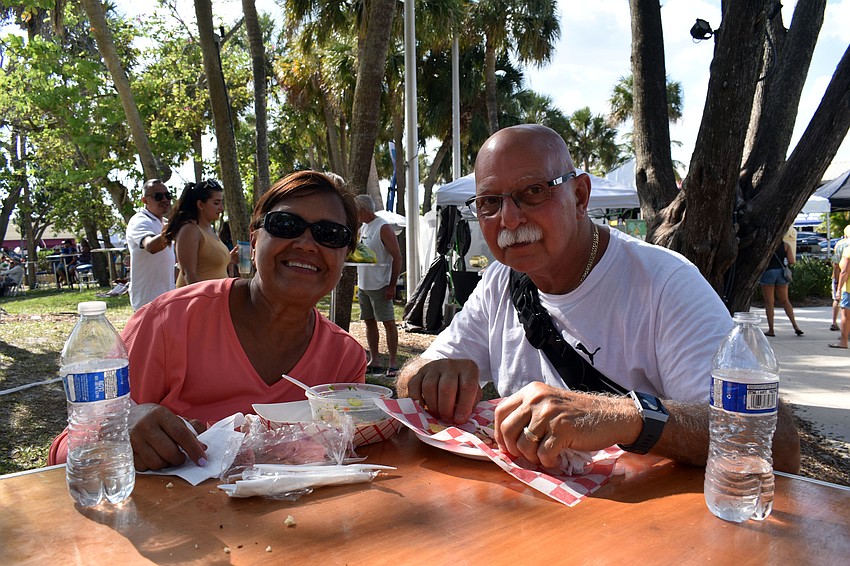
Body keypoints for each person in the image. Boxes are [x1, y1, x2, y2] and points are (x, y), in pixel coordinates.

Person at [397, 124, 800, 473]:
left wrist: (625, 417)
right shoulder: (501, 280)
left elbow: (775, 442)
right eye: (489, 202)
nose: (509, 219)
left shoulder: (665, 283)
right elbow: (414, 374)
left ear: (580, 196)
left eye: (533, 191)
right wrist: (425, 376)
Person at [49, 170, 367, 470]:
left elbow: (352, 458)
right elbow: (66, 451)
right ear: (254, 240)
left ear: (345, 255)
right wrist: (120, 431)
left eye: (330, 234)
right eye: (286, 225)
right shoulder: (169, 322)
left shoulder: (344, 360)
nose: (306, 244)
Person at [354, 194, 403, 376]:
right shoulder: (364, 227)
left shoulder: (383, 227)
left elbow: (397, 257)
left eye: (357, 210)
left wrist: (392, 285)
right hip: (364, 284)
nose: (356, 214)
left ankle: (393, 362)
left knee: (388, 323)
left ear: (363, 210)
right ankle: (374, 359)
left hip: (381, 284)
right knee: (369, 322)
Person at [163, 179, 235, 287]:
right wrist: (205, 301)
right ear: (200, 205)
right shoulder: (190, 230)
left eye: (221, 202)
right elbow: (189, 274)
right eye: (216, 203)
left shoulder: (209, 230)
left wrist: (230, 258)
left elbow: (208, 264)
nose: (221, 208)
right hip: (198, 300)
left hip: (216, 299)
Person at [126, 179, 177, 310]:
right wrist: (174, 227)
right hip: (148, 302)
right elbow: (151, 246)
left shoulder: (164, 224)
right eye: (158, 196)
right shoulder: (140, 221)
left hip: (167, 299)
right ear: (145, 200)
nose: (165, 200)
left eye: (168, 195)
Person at [759, 231, 804, 337]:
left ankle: (771, 329)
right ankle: (795, 326)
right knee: (785, 301)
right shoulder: (786, 245)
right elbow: (792, 261)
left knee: (769, 302)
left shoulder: (767, 246)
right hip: (781, 273)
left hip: (768, 272)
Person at [830, 231, 850, 349]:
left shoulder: (848, 250)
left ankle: (843, 341)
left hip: (848, 288)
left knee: (846, 315)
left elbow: (844, 272)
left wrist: (838, 289)